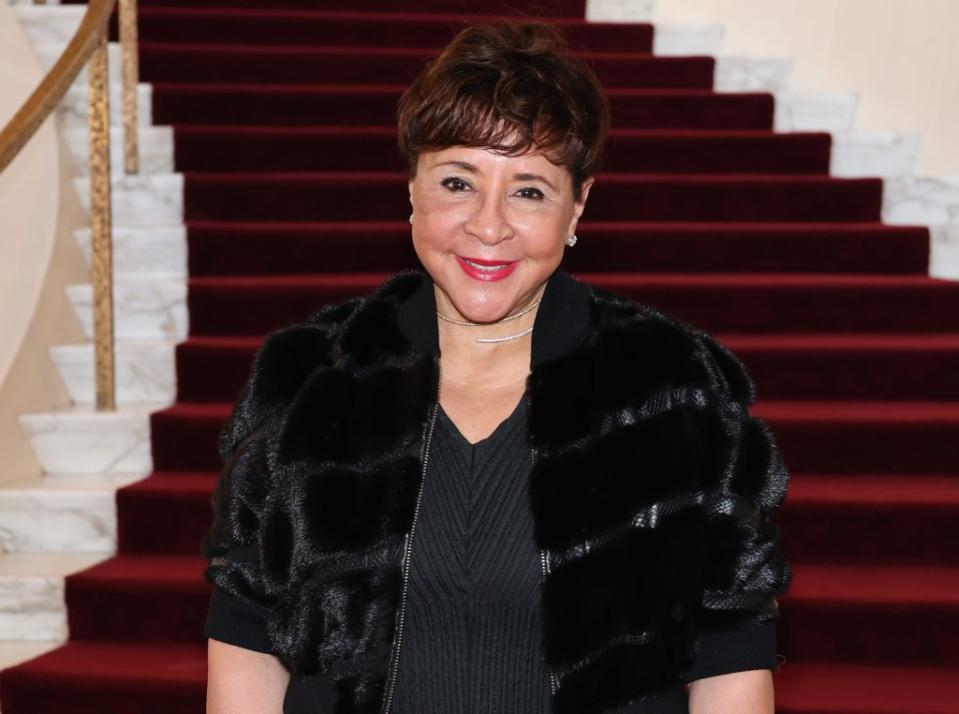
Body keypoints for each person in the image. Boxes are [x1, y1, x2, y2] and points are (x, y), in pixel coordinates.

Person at [201, 19, 792, 714]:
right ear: (412, 190)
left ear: (578, 206)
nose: (488, 225)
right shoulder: (309, 380)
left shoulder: (673, 389)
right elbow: (246, 635)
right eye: (457, 181)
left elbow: (729, 658)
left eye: (529, 190)